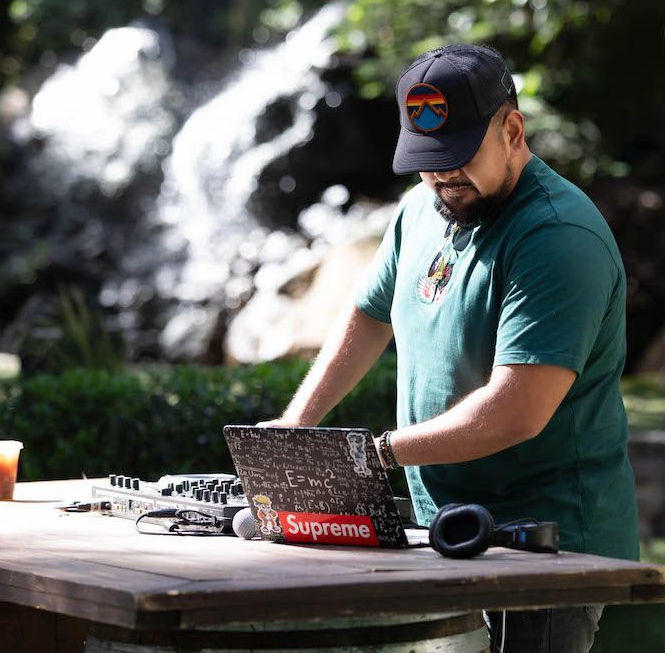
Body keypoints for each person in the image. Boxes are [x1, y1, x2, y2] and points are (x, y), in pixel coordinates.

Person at [263, 43, 638, 652]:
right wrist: (295, 426)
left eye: (458, 156)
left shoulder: (557, 236)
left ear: (513, 131)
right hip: (441, 526)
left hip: (543, 545)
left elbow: (516, 411)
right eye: (425, 158)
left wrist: (372, 456)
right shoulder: (421, 209)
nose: (441, 175)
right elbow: (367, 315)